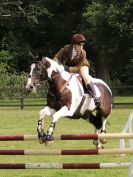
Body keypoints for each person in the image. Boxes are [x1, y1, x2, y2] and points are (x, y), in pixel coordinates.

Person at [53, 33, 101, 107]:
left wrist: (67, 68)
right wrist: (55, 64)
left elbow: (77, 68)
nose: (81, 47)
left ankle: (95, 97)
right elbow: (56, 57)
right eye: (79, 45)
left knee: (85, 76)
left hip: (82, 65)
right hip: (70, 65)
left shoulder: (83, 53)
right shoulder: (66, 48)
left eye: (82, 45)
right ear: (74, 45)